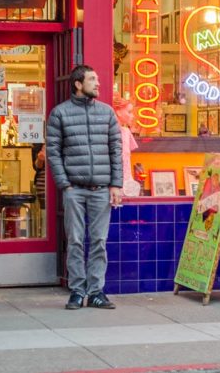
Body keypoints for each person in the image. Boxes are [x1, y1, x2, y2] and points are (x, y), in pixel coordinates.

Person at [46, 65, 123, 310]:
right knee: (76, 241)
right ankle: (77, 291)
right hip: (74, 190)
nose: (98, 83)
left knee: (99, 241)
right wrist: (65, 185)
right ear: (78, 84)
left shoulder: (108, 113)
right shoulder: (60, 114)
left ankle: (97, 292)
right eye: (92, 79)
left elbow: (116, 151)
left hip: (101, 188)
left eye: (97, 78)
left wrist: (116, 184)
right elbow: (53, 152)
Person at [112, 94, 141, 197]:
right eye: (129, 112)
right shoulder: (108, 132)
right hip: (113, 185)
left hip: (127, 182)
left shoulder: (126, 132)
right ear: (118, 112)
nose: (132, 116)